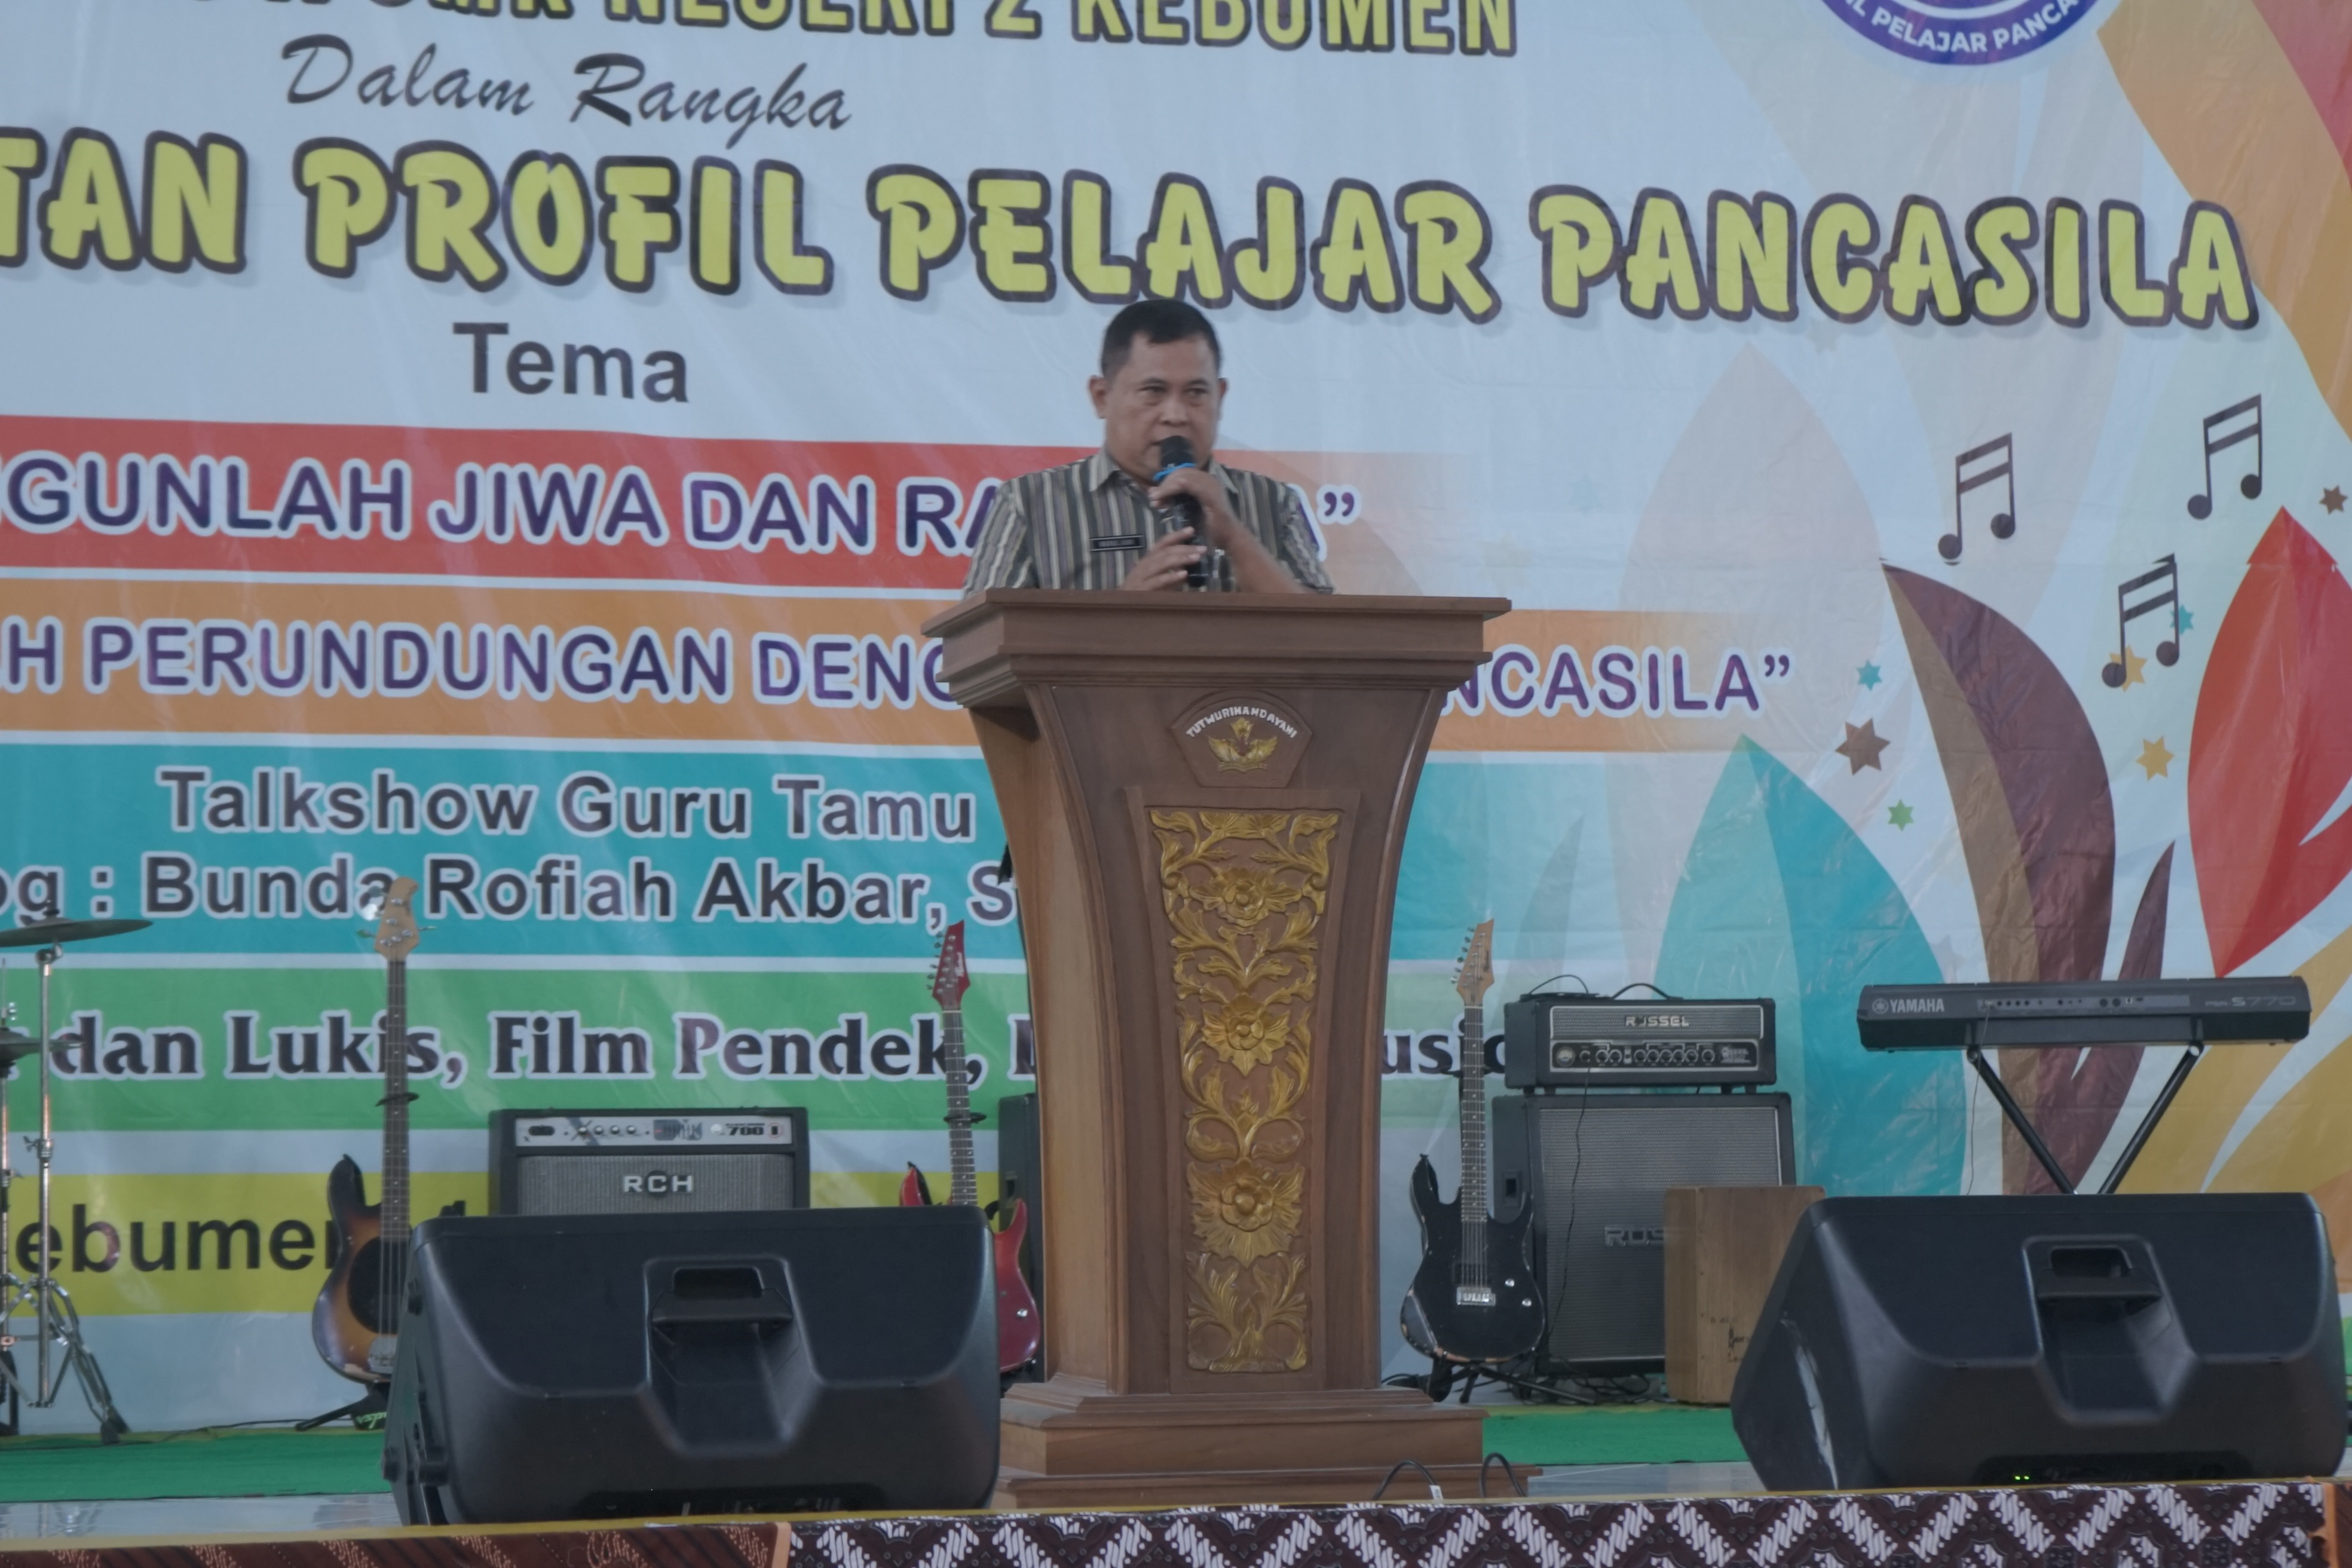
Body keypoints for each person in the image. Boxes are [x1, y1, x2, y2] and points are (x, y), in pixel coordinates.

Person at [961, 300, 1334, 595]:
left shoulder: (1274, 502)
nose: (1176, 415)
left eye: (1196, 393)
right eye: (1153, 392)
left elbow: (1327, 640)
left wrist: (1236, 540)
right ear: (1101, 396)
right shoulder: (1029, 503)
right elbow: (982, 645)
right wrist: (1124, 613)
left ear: (1220, 397)